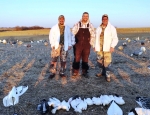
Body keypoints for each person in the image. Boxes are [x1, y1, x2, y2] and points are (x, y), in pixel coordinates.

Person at [94, 14, 118, 82]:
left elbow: (115, 39)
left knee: (107, 63)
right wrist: (94, 46)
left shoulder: (111, 28)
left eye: (106, 19)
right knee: (99, 61)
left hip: (107, 49)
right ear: (102, 20)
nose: (104, 20)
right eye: (103, 19)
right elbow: (95, 38)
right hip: (99, 49)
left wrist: (112, 46)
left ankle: (108, 75)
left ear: (108, 20)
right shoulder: (98, 28)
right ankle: (101, 72)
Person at [72, 12, 95, 78]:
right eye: (84, 16)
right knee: (77, 58)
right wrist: (73, 43)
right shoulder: (77, 24)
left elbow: (93, 35)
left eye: (87, 16)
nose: (85, 17)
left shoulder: (90, 25)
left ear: (88, 17)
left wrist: (91, 43)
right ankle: (75, 71)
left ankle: (84, 71)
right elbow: (72, 34)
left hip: (86, 45)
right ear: (82, 17)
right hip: (78, 44)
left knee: (85, 58)